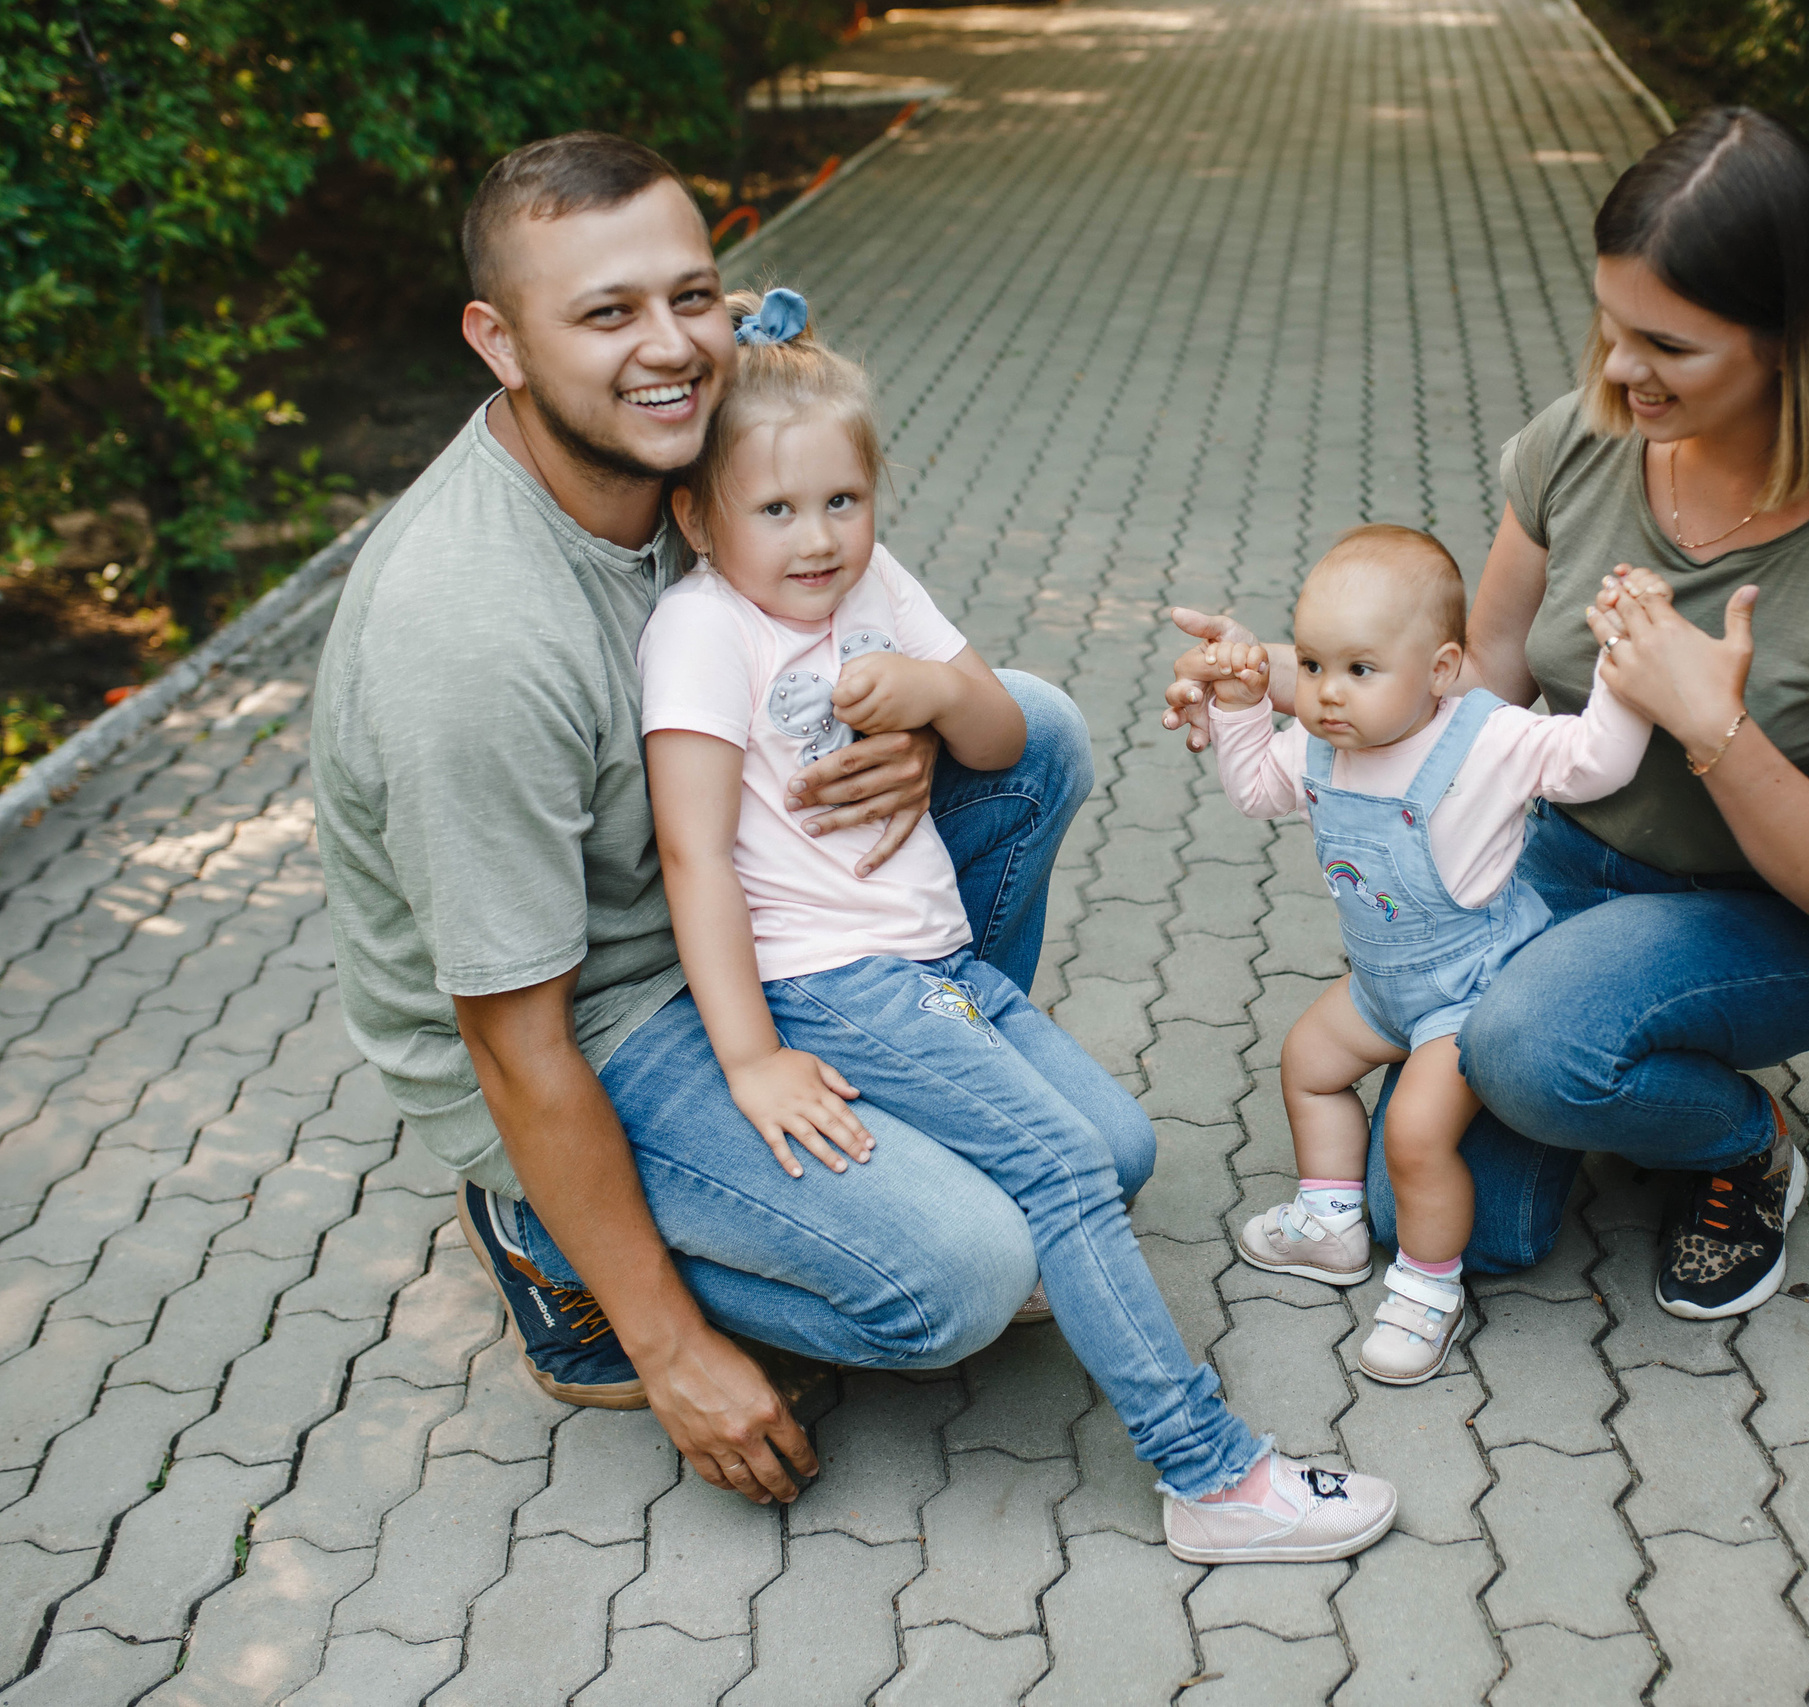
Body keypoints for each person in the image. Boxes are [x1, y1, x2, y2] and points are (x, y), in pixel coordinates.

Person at [315, 132, 1075, 1508]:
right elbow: (512, 1031)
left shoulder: (705, 446)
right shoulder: (470, 637)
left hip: (739, 894)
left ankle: (925, 1097)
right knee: (969, 1272)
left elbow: (872, 632)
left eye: (692, 294)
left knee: (1032, 730)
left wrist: (902, 730)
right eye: (606, 313)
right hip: (592, 1013)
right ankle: (555, 1238)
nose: (670, 346)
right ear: (500, 341)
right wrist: (669, 1346)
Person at [1162, 108, 1809, 1320]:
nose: (1617, 369)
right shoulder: (1585, 441)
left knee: (1532, 1051)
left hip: (1758, 921)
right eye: (1609, 321)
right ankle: (1592, 1064)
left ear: (1788, 339)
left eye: (1666, 344)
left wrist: (1710, 724)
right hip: (1556, 874)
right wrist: (1277, 676)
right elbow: (1473, 675)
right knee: (1431, 1221)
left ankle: (1741, 1144)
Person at [635, 285, 1396, 1560]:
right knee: (1059, 1168)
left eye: (842, 500)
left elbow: (999, 739)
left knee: (1113, 1149)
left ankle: (1017, 1233)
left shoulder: (871, 583)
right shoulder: (704, 632)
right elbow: (690, 855)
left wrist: (935, 687)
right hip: (833, 987)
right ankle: (1209, 1474)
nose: (817, 538)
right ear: (697, 518)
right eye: (774, 509)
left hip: (936, 967)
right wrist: (752, 1053)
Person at [1179, 526, 1645, 1383]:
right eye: (1312, 665)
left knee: (1417, 1132)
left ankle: (1428, 1287)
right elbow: (1253, 791)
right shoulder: (1324, 742)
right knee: (1308, 1061)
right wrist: (1244, 704)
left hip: (1473, 990)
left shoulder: (1487, 741)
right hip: (1381, 984)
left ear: (1439, 671)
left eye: (1360, 670)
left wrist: (1624, 679)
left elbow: (1595, 761)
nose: (1325, 694)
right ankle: (1330, 1221)